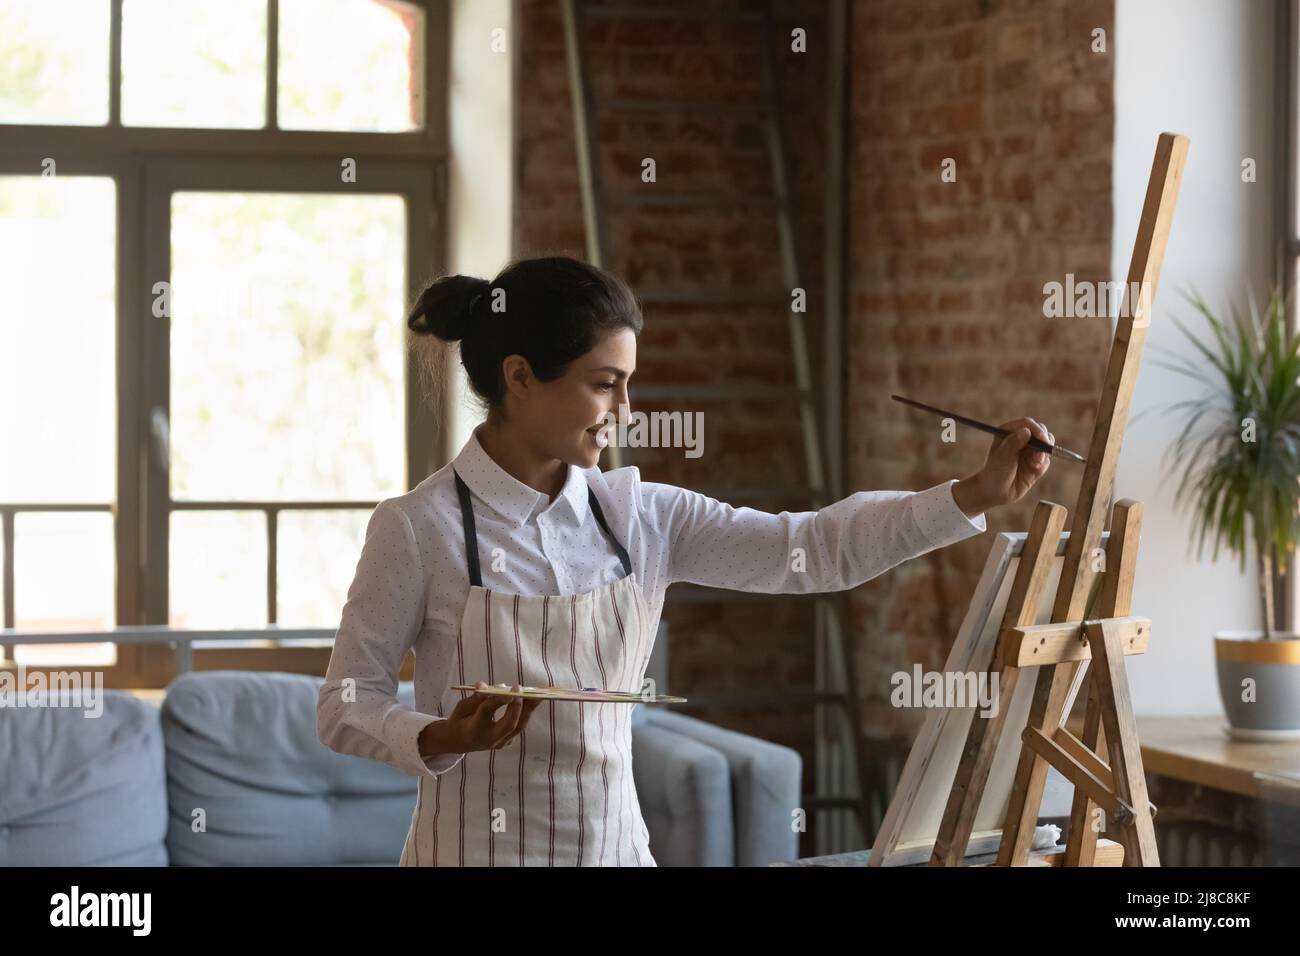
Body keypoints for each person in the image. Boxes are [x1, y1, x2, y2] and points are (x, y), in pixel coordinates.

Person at [317, 255, 1054, 866]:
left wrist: (973, 492)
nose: (627, 409)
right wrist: (442, 733)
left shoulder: (644, 517)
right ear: (518, 376)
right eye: (605, 384)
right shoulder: (417, 528)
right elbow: (345, 702)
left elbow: (815, 550)